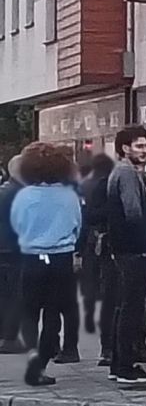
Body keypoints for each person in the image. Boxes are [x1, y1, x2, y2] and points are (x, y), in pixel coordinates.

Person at [12, 143, 82, 386]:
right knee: (53, 314)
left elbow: (17, 224)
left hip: (32, 258)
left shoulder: (24, 196)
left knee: (29, 312)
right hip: (61, 259)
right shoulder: (69, 196)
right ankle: (41, 363)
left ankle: (31, 354)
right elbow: (77, 226)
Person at [107, 124, 146, 385]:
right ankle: (126, 366)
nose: (145, 150)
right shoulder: (127, 174)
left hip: (125, 248)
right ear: (125, 148)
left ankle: (119, 363)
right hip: (133, 248)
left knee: (126, 306)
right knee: (132, 307)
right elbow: (133, 212)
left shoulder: (125, 172)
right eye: (139, 146)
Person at [78, 155, 114, 339]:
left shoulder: (84, 184)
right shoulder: (108, 185)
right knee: (108, 284)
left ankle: (89, 312)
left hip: (90, 237)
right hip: (106, 238)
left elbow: (84, 216)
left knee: (90, 277)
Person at [0, 155, 26, 354]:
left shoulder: (4, 191)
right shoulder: (20, 194)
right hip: (14, 249)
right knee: (14, 295)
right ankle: (9, 337)